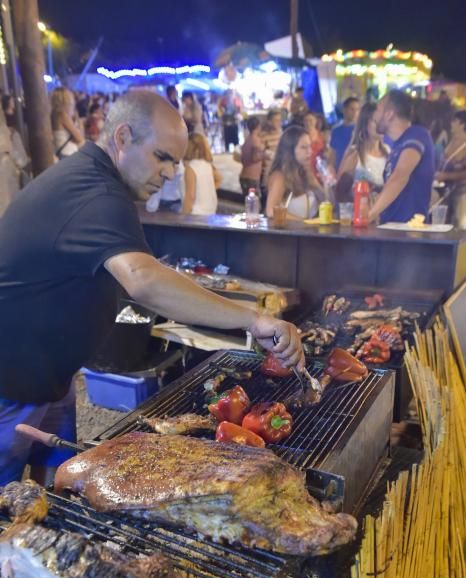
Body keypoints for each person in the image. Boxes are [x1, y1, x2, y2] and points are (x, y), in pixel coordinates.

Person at [0, 91, 303, 483]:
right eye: (162, 157)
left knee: (55, 492)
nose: (171, 173)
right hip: (12, 383)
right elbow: (142, 279)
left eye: (176, 162)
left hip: (49, 376)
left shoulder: (94, 180)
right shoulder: (96, 192)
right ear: (123, 138)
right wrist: (253, 319)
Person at [369, 90, 435, 224]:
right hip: (392, 228)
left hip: (408, 231)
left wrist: (369, 215)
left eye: (378, 109)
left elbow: (400, 176)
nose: (374, 116)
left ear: (389, 114)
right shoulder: (397, 144)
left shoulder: (417, 134)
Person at [265, 126, 324, 220]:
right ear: (290, 150)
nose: (310, 152)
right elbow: (271, 211)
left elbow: (325, 201)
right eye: (304, 147)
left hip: (308, 232)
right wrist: (304, 223)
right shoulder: (280, 176)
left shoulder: (304, 171)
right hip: (290, 233)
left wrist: (319, 184)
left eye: (310, 146)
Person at [336, 102, 389, 201]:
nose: (381, 125)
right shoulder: (355, 154)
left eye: (383, 120)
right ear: (365, 123)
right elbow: (340, 191)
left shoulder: (388, 152)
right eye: (376, 121)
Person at [435, 111, 466, 228]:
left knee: (461, 226)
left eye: (455, 121)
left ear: (463, 124)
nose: (451, 124)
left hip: (462, 194)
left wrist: (445, 176)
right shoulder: (451, 141)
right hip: (446, 193)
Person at [182, 133, 221, 215]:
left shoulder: (191, 168)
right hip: (210, 211)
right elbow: (219, 178)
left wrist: (183, 216)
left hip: (196, 214)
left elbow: (190, 196)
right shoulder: (208, 165)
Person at [51, 87, 85, 159]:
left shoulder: (54, 114)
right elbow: (80, 138)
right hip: (68, 154)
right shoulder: (63, 115)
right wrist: (78, 120)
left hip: (62, 153)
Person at [330, 97, 360, 171]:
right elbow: (333, 154)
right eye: (352, 109)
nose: (355, 112)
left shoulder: (361, 130)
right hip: (339, 170)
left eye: (357, 109)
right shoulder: (336, 131)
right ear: (344, 110)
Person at [239, 116, 265, 196]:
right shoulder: (255, 140)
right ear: (258, 126)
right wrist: (266, 155)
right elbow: (255, 157)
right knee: (254, 205)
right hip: (251, 179)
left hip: (244, 177)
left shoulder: (248, 139)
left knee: (249, 204)